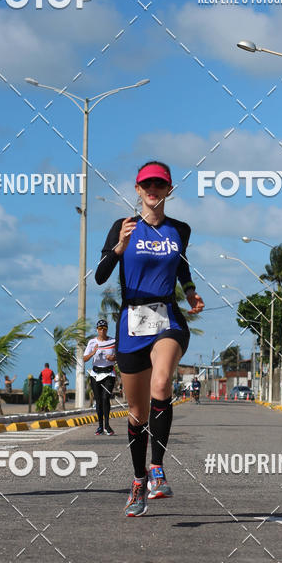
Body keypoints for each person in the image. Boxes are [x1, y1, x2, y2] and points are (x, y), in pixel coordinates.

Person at [95, 161, 204, 516]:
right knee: (137, 414)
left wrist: (189, 293)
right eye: (147, 185)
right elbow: (100, 276)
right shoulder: (122, 227)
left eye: (160, 185)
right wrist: (120, 247)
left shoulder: (180, 230)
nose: (153, 190)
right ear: (138, 190)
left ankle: (157, 468)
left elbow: (181, 265)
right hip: (131, 322)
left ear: (169, 190)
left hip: (167, 317)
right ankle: (139, 479)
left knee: (162, 384)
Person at [83, 319, 117, 435]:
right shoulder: (92, 342)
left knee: (105, 398)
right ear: (97, 330)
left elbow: (120, 355)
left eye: (104, 328)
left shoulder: (113, 341)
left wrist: (113, 358)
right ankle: (100, 426)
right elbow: (84, 358)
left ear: (107, 329)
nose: (102, 331)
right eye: (100, 329)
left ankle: (107, 426)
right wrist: (93, 352)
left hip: (109, 374)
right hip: (95, 374)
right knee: (98, 400)